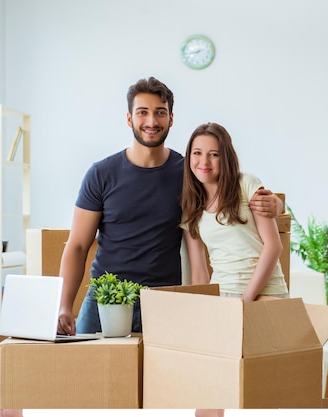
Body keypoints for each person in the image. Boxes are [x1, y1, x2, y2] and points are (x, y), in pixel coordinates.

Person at [58, 77, 282, 337]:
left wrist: (276, 204)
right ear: (129, 119)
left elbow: (231, 188)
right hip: (107, 299)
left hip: (165, 302)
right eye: (143, 113)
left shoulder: (190, 173)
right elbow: (77, 246)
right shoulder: (101, 174)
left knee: (165, 377)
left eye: (160, 113)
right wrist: (63, 305)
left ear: (171, 119)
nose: (152, 122)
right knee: (91, 374)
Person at [181, 123, 289, 417]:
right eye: (197, 153)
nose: (204, 162)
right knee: (209, 388)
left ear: (226, 157)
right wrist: (200, 313)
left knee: (261, 391)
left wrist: (246, 299)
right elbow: (200, 273)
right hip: (223, 298)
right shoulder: (191, 205)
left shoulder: (246, 185)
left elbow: (273, 247)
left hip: (265, 295)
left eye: (213, 154)